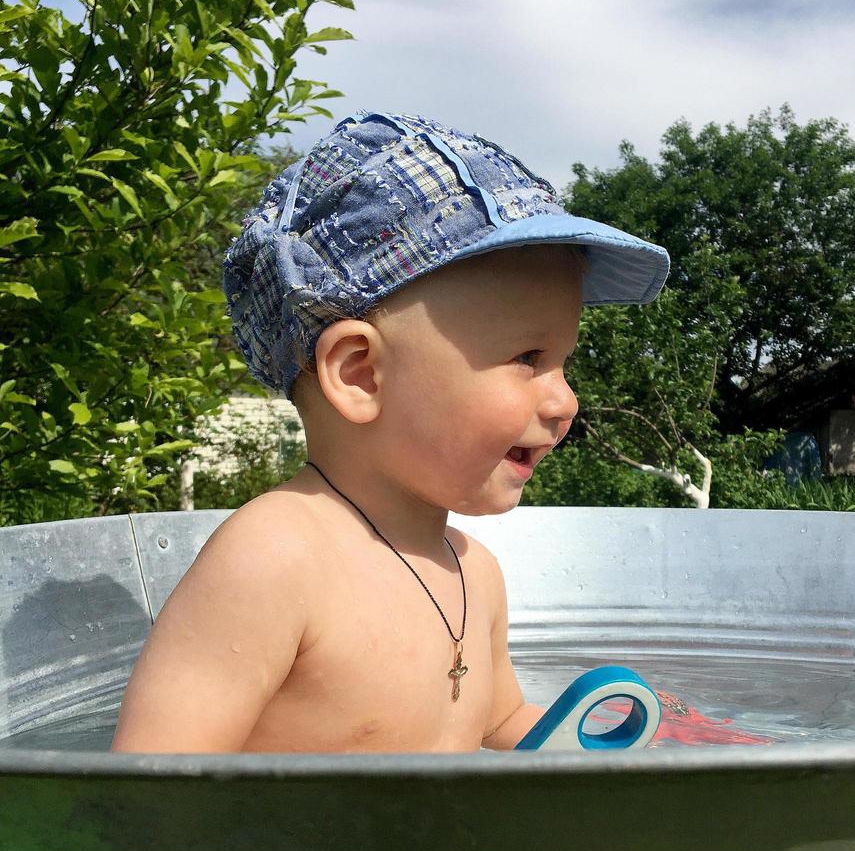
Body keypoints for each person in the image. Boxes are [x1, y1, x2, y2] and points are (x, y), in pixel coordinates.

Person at [110, 111, 669, 753]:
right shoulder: (274, 562)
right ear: (361, 374)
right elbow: (151, 789)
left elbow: (496, 720)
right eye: (528, 359)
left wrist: (613, 747)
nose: (566, 402)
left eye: (564, 364)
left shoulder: (474, 572)